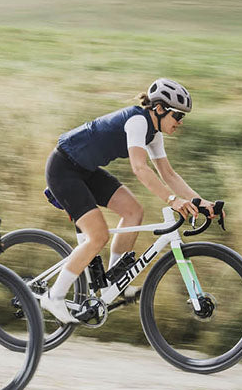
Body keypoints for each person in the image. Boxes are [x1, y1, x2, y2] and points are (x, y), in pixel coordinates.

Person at [40, 78, 219, 323]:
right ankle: (54, 296)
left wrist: (201, 202)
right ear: (159, 108)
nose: (180, 122)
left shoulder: (154, 134)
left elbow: (169, 175)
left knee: (134, 211)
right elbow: (139, 168)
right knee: (98, 236)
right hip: (63, 169)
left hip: (86, 171)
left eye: (182, 117)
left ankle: (114, 282)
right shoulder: (137, 121)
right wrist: (172, 200)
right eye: (177, 116)